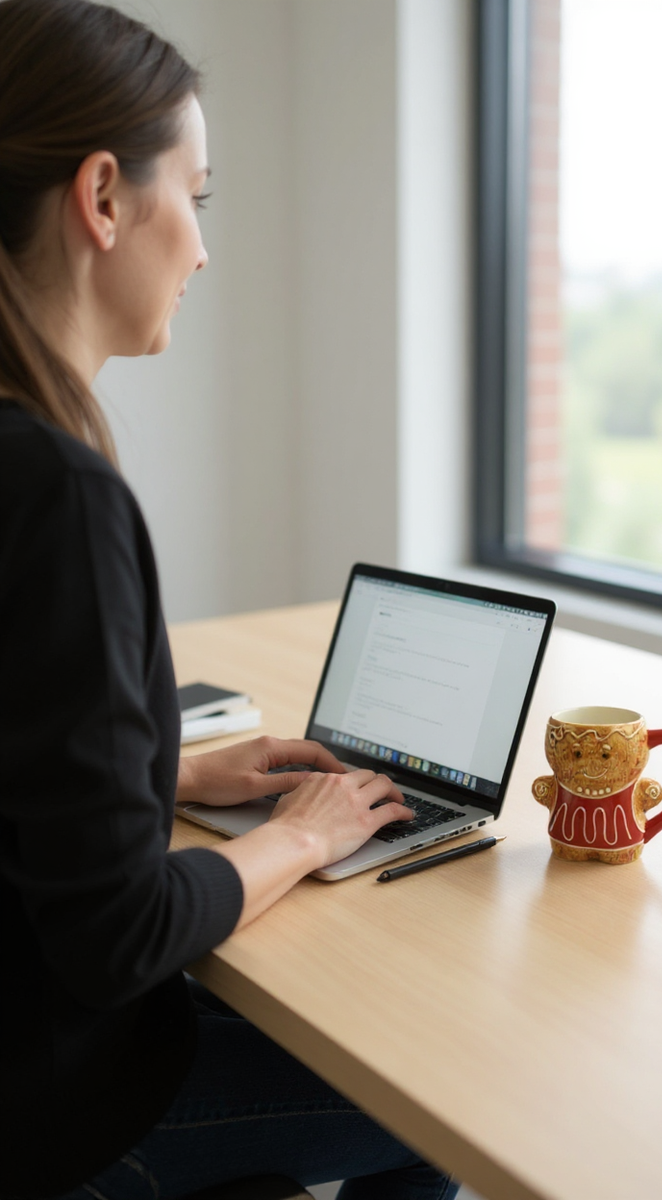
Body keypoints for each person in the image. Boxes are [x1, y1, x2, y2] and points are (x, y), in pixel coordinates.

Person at [0, 2, 460, 1197]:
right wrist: (304, 835)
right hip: (56, 1119)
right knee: (442, 1088)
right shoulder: (55, 493)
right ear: (104, 198)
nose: (202, 252)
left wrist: (163, 777)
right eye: (195, 200)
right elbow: (122, 940)